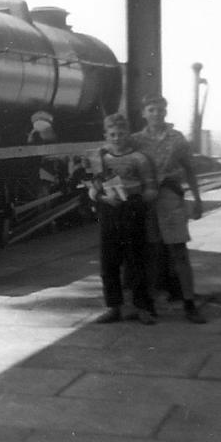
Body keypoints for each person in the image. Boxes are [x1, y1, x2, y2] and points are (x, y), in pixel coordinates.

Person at [131, 94, 207, 324]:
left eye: (160, 110)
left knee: (179, 252)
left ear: (166, 112)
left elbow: (190, 169)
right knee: (151, 252)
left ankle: (189, 304)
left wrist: (197, 199)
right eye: (151, 110)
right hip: (147, 201)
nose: (156, 114)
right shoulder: (135, 141)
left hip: (171, 198)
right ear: (144, 113)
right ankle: (151, 304)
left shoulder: (177, 139)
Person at [88, 113, 159, 324]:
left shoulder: (140, 158)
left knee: (136, 260)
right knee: (109, 261)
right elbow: (92, 190)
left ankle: (142, 308)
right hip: (109, 212)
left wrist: (135, 202)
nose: (117, 138)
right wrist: (103, 198)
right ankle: (113, 307)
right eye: (112, 134)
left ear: (128, 134)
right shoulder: (99, 159)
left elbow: (152, 189)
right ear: (106, 135)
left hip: (133, 211)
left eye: (121, 133)